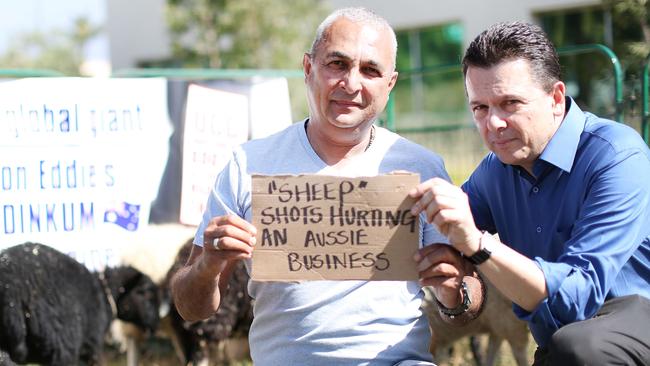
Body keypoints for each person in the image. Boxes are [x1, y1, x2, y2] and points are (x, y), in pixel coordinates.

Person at [171, 7, 485, 366]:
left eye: (370, 70)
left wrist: (453, 291)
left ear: (390, 84)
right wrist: (208, 266)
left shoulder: (421, 168)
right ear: (308, 69)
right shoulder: (248, 165)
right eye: (337, 64)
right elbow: (190, 308)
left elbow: (470, 302)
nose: (351, 84)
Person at [410, 21, 650, 365]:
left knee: (579, 345)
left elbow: (578, 296)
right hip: (563, 347)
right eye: (480, 108)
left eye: (510, 103)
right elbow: (429, 234)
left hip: (633, 325)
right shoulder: (496, 171)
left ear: (555, 98)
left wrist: (477, 245)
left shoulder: (616, 156)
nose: (493, 123)